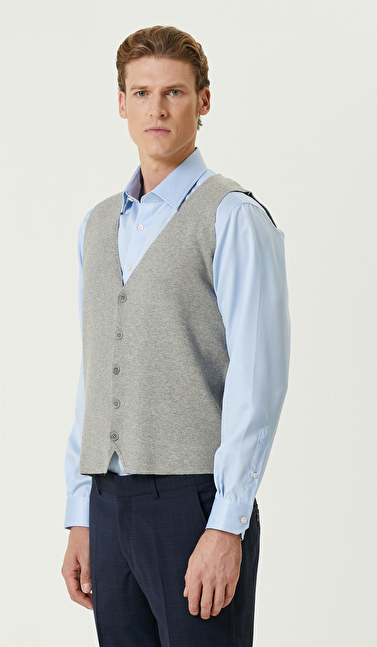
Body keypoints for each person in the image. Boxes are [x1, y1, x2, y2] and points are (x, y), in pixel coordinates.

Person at [62, 25, 290, 647]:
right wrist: (80, 512)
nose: (156, 109)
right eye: (141, 93)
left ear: (203, 100)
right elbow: (95, 374)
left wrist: (226, 523)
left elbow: (259, 380)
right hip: (108, 505)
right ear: (121, 104)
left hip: (194, 503)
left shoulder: (232, 216)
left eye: (174, 92)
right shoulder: (97, 225)